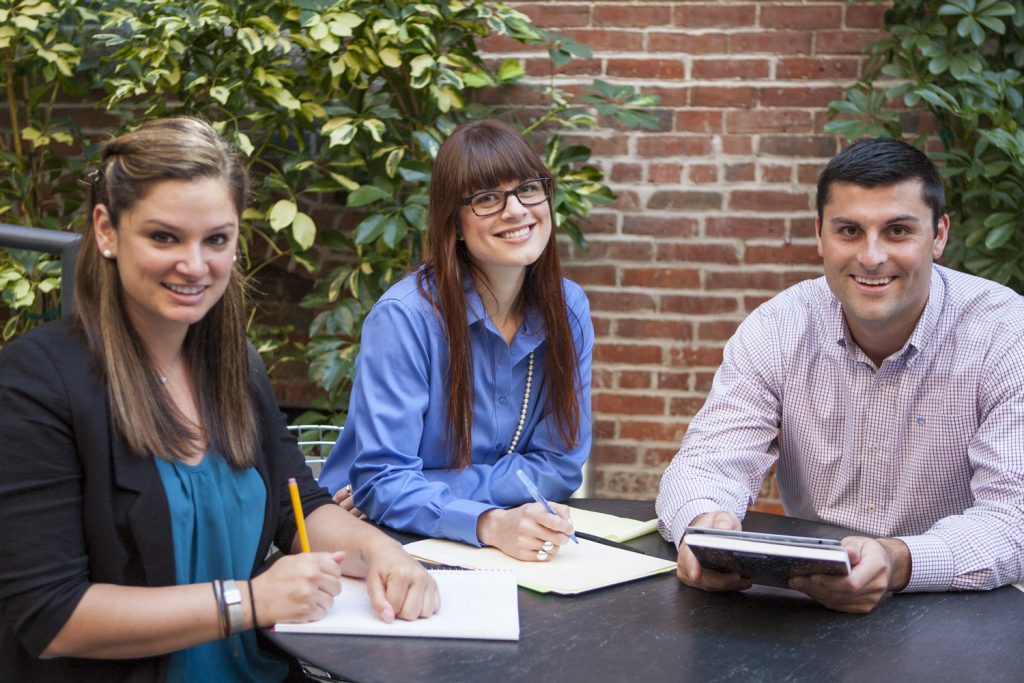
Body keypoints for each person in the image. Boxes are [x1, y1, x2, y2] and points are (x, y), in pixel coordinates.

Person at [0, 117, 439, 682]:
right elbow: (51, 617)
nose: (195, 264)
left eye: (217, 239)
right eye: (164, 237)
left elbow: (296, 506)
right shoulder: (34, 385)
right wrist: (248, 601)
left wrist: (383, 553)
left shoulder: (232, 365)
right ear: (106, 230)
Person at [656, 137, 1024, 613]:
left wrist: (897, 560)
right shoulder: (778, 327)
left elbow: (1014, 517)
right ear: (819, 234)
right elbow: (707, 462)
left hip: (964, 607)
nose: (870, 257)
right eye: (849, 230)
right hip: (808, 605)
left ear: (938, 236)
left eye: (897, 231)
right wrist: (704, 526)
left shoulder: (1006, 335)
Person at [318, 119, 594, 562]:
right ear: (456, 222)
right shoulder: (405, 318)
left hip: (502, 541)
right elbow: (383, 483)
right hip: (375, 541)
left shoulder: (569, 308)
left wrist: (427, 484)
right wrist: (486, 520)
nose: (517, 210)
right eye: (487, 198)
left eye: (528, 188)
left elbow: (560, 467)